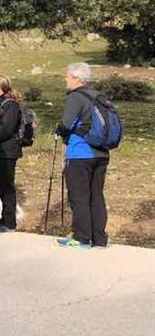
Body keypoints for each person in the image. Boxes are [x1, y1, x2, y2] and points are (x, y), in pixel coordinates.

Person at [56, 62, 114, 249]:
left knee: (79, 195)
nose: (65, 79)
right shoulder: (99, 97)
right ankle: (99, 238)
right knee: (96, 195)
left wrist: (60, 131)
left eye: (67, 76)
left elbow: (66, 124)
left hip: (80, 152)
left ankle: (81, 238)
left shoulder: (76, 97)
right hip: (102, 152)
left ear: (77, 78)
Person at [0, 74, 23, 232]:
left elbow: (7, 129)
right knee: (0, 185)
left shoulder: (10, 105)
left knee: (6, 185)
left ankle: (9, 222)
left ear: (0, 86)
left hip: (7, 151)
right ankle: (3, 219)